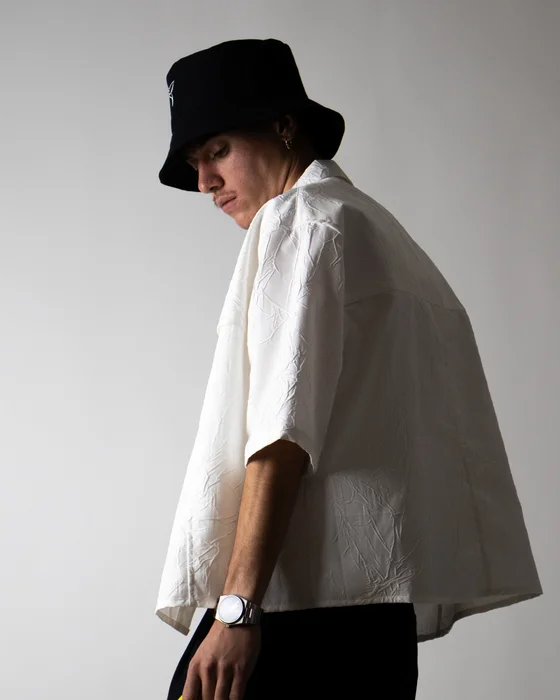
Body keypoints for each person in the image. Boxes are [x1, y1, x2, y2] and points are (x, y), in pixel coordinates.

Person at [155, 39, 543, 700]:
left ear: (284, 126)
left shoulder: (300, 222)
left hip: (293, 613)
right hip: (377, 626)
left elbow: (280, 437)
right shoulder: (378, 232)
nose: (205, 182)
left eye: (217, 150)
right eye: (196, 164)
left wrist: (237, 612)